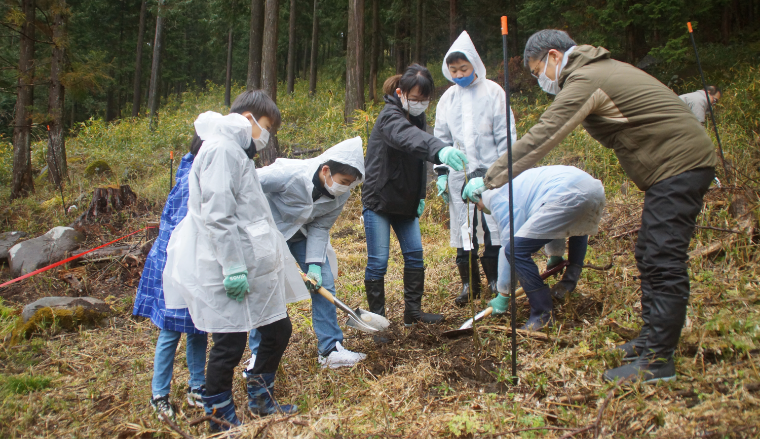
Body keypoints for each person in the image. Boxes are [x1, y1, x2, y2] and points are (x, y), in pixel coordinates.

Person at [463, 30, 717, 384]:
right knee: (649, 253)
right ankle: (650, 340)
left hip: (679, 164)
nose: (540, 80)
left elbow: (544, 134)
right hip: (673, 165)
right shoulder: (598, 69)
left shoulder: (585, 78)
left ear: (554, 56)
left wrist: (490, 178)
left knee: (662, 257)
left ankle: (658, 360)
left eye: (537, 71)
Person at [163, 91, 303, 431]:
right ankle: (218, 415)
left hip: (249, 260)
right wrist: (233, 267)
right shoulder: (222, 150)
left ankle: (260, 396)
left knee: (278, 328)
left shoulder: (235, 151)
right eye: (266, 126)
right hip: (225, 263)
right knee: (230, 341)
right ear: (248, 117)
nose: (266, 135)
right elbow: (218, 215)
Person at [245, 137, 367, 370]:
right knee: (266, 287)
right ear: (326, 170)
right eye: (344, 181)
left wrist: (313, 265)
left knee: (324, 281)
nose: (345, 187)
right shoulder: (288, 174)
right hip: (268, 232)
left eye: (351, 183)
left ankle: (330, 350)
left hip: (301, 234)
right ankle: (258, 354)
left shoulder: (341, 194)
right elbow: (245, 183)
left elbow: (320, 226)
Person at [362, 64, 469, 327]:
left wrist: (420, 195)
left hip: (406, 200)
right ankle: (378, 322)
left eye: (425, 99)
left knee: (414, 255)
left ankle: (413, 313)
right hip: (380, 199)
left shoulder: (417, 118)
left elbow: (418, 162)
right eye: (415, 99)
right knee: (378, 262)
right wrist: (440, 149)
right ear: (401, 93)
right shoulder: (390, 117)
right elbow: (408, 138)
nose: (420, 104)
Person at [434, 31, 518, 307]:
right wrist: (442, 173)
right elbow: (441, 139)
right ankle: (469, 284)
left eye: (464, 68)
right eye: (454, 70)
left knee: (492, 224)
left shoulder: (493, 92)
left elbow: (506, 135)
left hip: (492, 171)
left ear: (475, 65)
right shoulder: (448, 99)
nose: (459, 74)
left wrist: (503, 170)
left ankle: (495, 280)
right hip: (459, 172)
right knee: (464, 227)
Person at [466, 166, 604, 330]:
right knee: (578, 225)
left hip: (566, 195)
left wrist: (503, 294)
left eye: (475, 203)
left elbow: (509, 246)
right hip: (593, 189)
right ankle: (568, 283)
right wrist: (555, 255)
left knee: (515, 250)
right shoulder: (516, 183)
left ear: (479, 193)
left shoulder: (499, 197)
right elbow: (552, 217)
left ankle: (542, 315)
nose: (479, 208)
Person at [133, 133, 207, 420]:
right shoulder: (191, 180)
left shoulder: (196, 171)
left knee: (198, 326)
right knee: (170, 328)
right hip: (175, 264)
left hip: (196, 263)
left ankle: (197, 386)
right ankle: (159, 394)